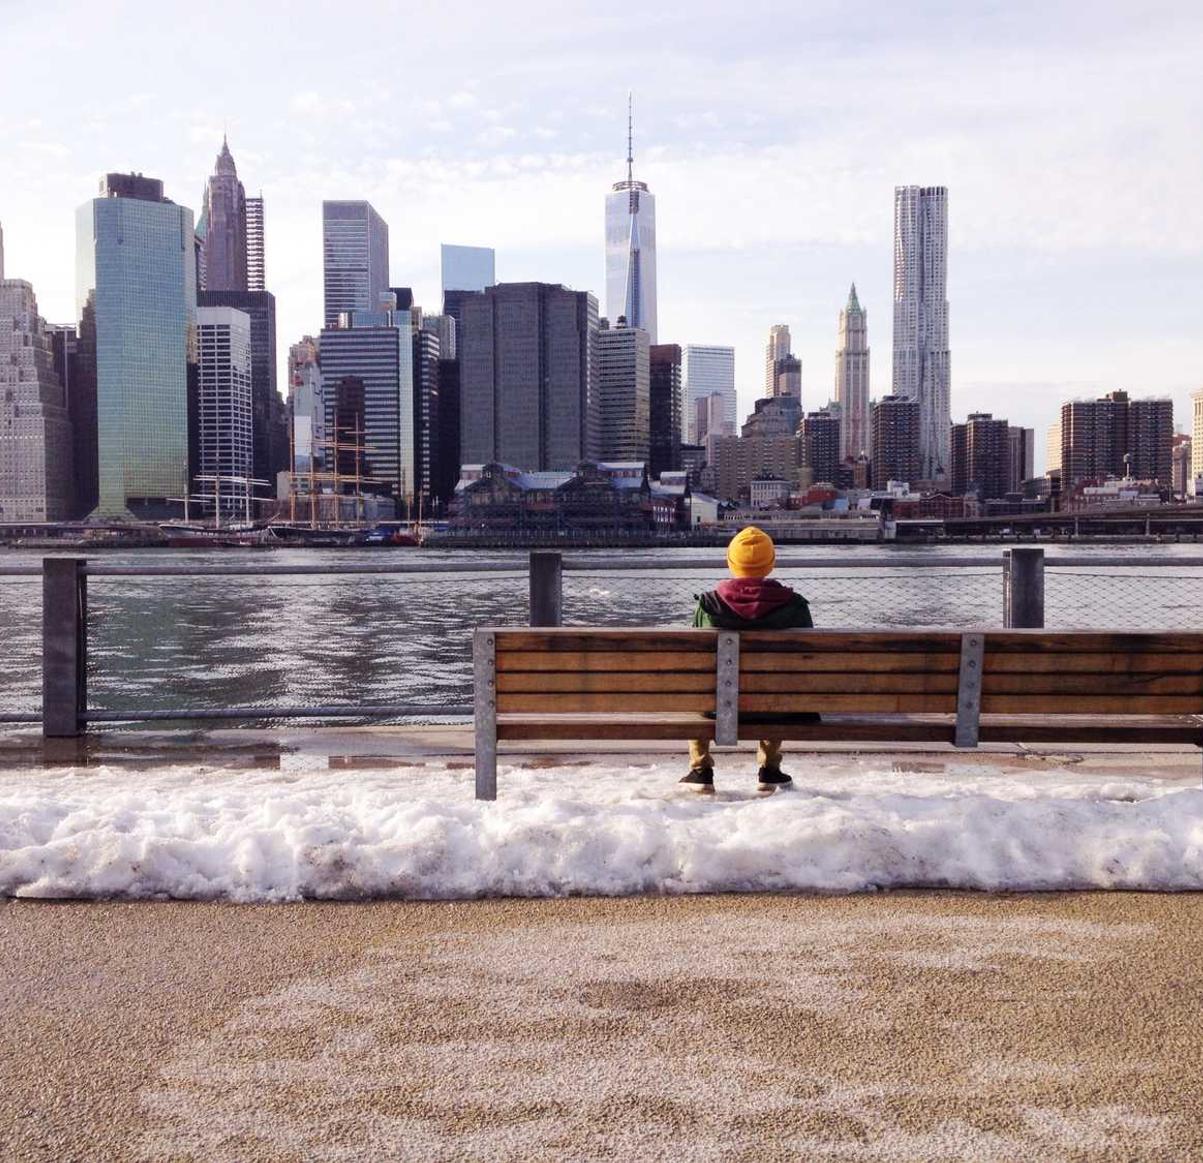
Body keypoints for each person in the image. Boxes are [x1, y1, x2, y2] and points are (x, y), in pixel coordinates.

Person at [681, 526, 814, 795]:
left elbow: (693, 662)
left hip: (716, 708)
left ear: (731, 563)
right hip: (776, 707)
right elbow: (807, 661)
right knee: (779, 685)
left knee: (699, 687)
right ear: (771, 563)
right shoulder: (795, 606)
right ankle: (770, 769)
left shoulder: (708, 605)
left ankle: (700, 769)